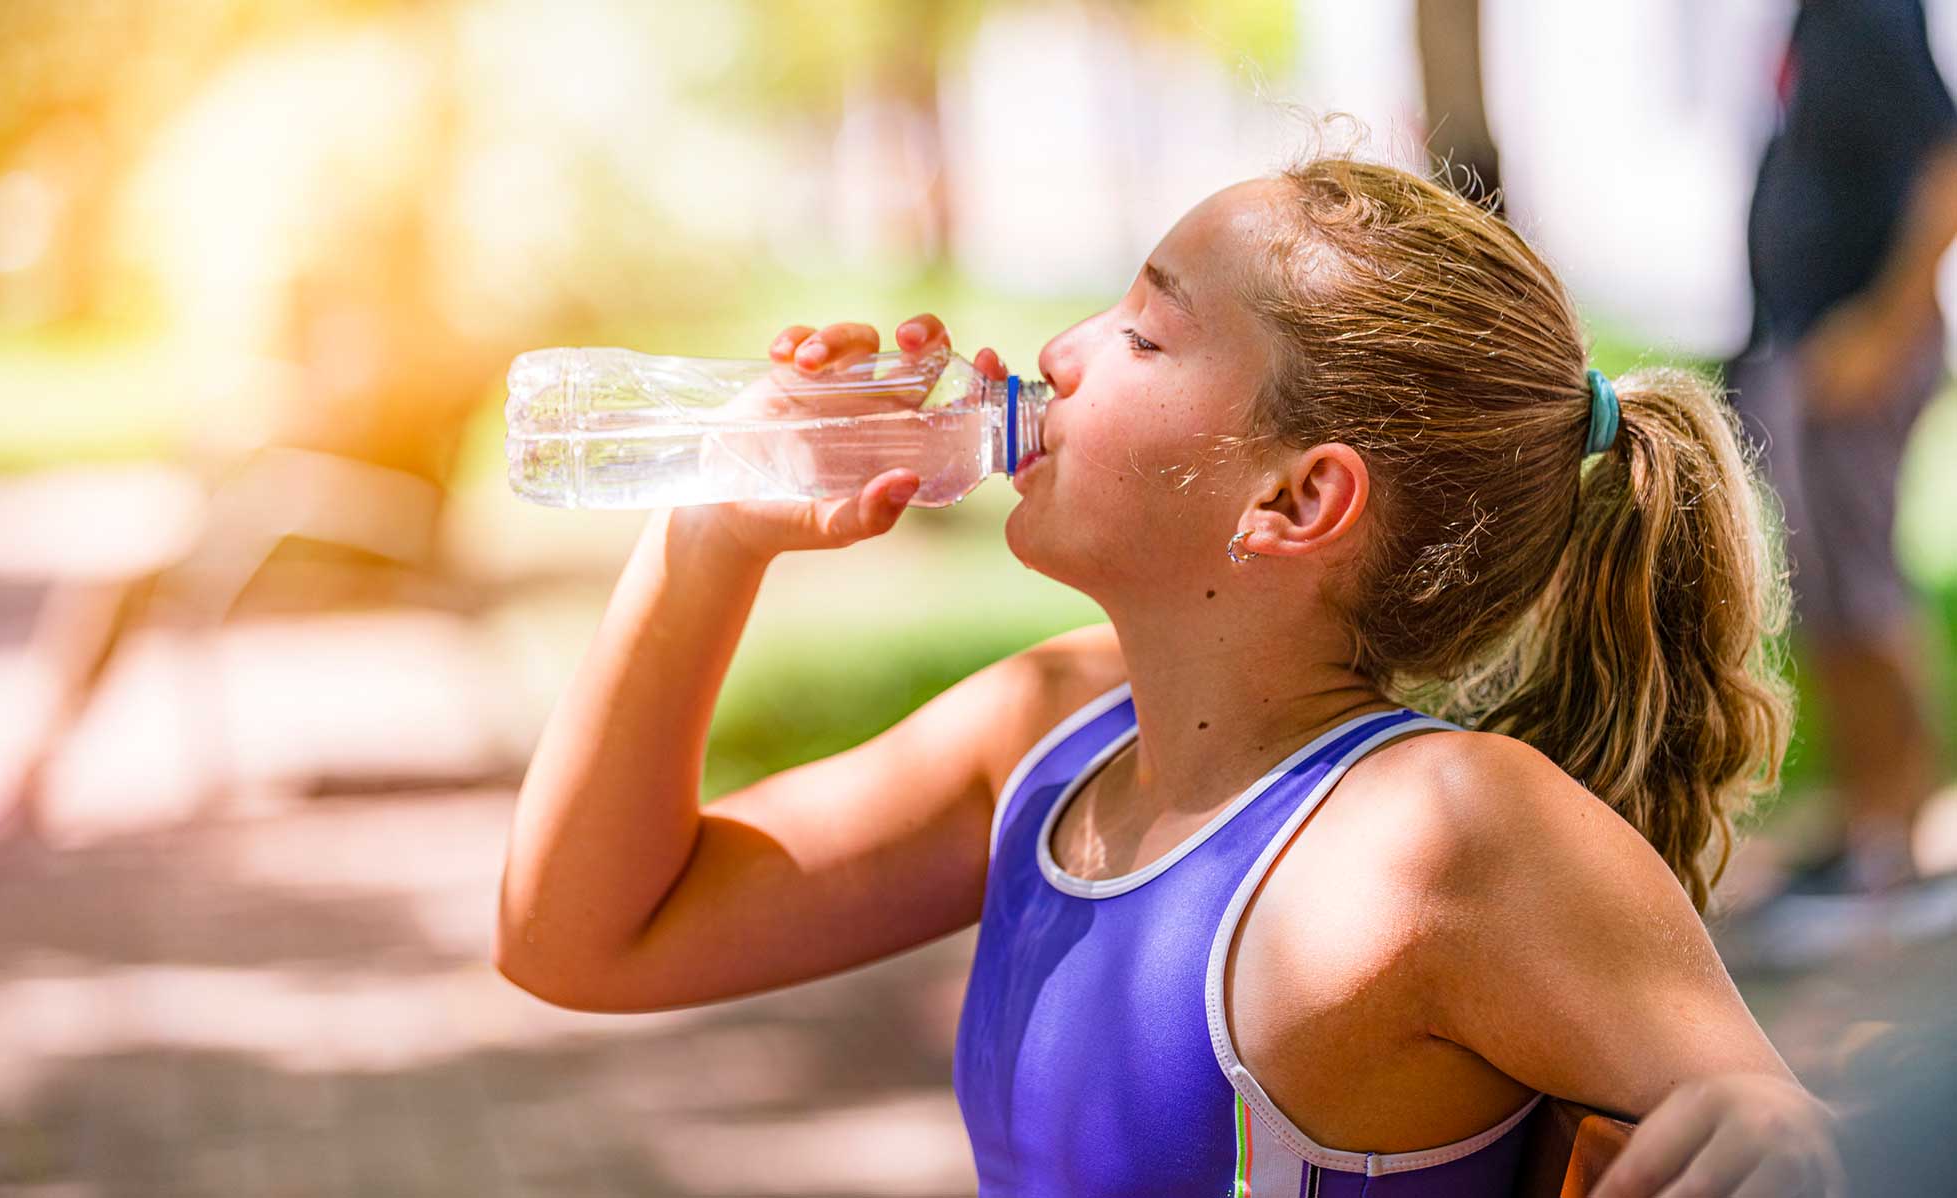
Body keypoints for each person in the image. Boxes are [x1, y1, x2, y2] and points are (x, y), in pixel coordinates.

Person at [495, 155, 1841, 1194]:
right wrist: (715, 529)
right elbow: (584, 935)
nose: (1058, 351)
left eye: (1142, 333)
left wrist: (1775, 1122)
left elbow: (1781, 1132)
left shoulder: (1441, 834)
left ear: (1297, 497)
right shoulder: (1050, 736)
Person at [1727, 0, 1957, 904]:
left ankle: (1902, 828)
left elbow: (1946, 163)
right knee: (1821, 591)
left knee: (1861, 589)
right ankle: (1869, 818)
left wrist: (1882, 326)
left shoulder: (1865, 9)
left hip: (1854, 344)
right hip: (1798, 342)